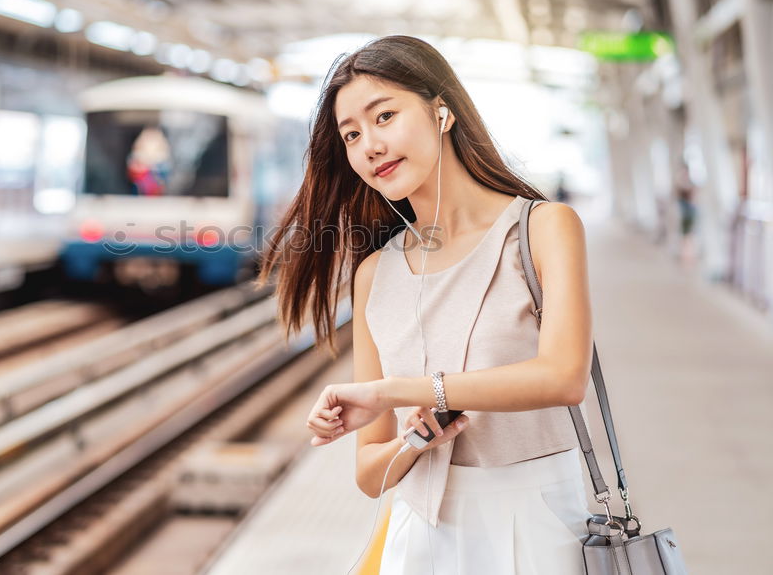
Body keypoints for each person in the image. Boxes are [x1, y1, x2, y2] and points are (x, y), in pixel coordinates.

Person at [255, 36, 594, 574]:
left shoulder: (543, 230)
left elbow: (563, 378)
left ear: (442, 112)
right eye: (352, 134)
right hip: (421, 543)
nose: (369, 144)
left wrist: (391, 392)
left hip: (537, 526)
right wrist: (414, 438)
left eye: (384, 116)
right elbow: (370, 475)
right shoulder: (374, 274)